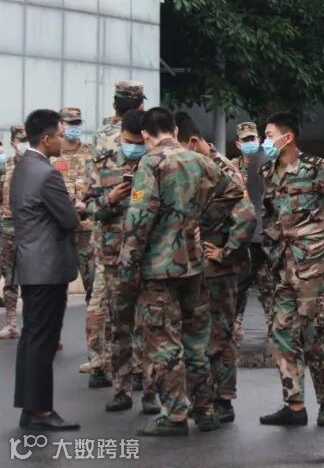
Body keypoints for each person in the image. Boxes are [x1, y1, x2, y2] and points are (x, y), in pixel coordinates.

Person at [117, 107, 253, 436]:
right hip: (194, 264)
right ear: (175, 131)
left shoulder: (150, 163)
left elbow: (138, 221)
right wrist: (200, 218)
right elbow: (234, 189)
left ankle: (175, 415)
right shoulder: (199, 161)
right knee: (196, 339)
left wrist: (127, 265)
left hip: (159, 268)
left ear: (146, 135)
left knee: (163, 341)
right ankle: (204, 409)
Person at [258, 112, 324, 427]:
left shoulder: (317, 168)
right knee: (282, 334)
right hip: (282, 266)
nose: (265, 141)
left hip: (313, 267)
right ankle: (294, 405)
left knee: (316, 336)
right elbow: (268, 214)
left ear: (287, 137)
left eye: (269, 134)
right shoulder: (268, 171)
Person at [176, 113, 255, 424]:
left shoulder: (220, 169)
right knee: (202, 334)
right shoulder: (197, 165)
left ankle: (220, 400)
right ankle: (207, 399)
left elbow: (246, 215)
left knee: (218, 336)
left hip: (216, 268)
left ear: (194, 142)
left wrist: (226, 252)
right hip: (196, 266)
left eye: (180, 147)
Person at [11, 109, 81, 431]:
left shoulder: (23, 167)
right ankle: (40, 411)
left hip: (31, 264)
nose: (62, 141)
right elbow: (69, 219)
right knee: (43, 340)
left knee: (31, 338)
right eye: (59, 135)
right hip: (47, 267)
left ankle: (30, 408)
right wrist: (77, 208)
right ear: (45, 138)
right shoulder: (47, 174)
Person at [90, 110, 158, 416]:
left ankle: (150, 392)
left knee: (149, 326)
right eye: (128, 141)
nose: (133, 147)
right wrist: (110, 199)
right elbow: (89, 207)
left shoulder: (156, 163)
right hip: (114, 257)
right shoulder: (104, 162)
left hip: (148, 256)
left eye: (138, 142)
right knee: (118, 325)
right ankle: (121, 389)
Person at [51, 107, 102, 380]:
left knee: (94, 293)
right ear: (60, 125)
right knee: (54, 288)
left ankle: (96, 353)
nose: (74, 127)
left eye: (77, 122)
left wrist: (86, 203)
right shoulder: (52, 155)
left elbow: (99, 185)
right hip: (58, 232)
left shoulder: (91, 153)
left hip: (86, 231)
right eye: (69, 123)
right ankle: (52, 337)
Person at [232, 121, 273, 344]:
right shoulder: (230, 167)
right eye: (245, 139)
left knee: (267, 282)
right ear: (238, 144)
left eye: (253, 138)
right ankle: (235, 325)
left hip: (263, 232)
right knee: (239, 284)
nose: (250, 142)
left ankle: (273, 325)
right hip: (239, 233)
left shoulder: (267, 164)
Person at [0, 124, 27, 340]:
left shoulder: (39, 165)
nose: (24, 145)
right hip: (8, 227)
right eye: (21, 141)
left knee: (34, 278)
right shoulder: (5, 166)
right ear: (13, 143)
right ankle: (11, 323)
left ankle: (35, 326)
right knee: (9, 276)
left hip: (33, 228)